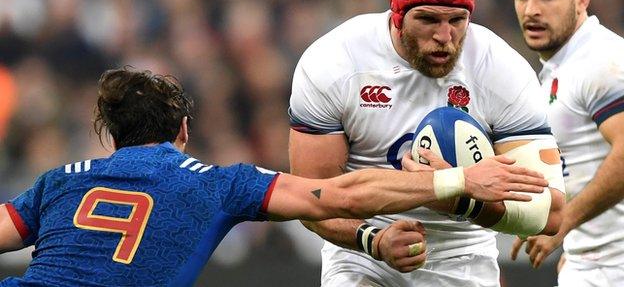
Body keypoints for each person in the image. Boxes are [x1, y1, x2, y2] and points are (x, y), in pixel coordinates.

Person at [0, 67, 549, 287]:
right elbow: (340, 193)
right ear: (184, 129)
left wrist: (370, 242)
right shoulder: (214, 182)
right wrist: (456, 183)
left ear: (109, 135)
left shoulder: (59, 181)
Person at [288, 0, 566, 287]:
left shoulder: (501, 70)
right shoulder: (334, 63)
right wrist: (375, 240)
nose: (445, 36)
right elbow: (312, 199)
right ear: (398, 14)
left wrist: (461, 203)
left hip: (462, 255)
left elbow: (550, 211)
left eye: (457, 20)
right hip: (364, 255)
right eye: (428, 19)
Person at [507, 0, 624, 286]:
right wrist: (575, 250)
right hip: (594, 265)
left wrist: (564, 225)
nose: (531, 10)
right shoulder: (560, 69)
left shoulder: (603, 62)